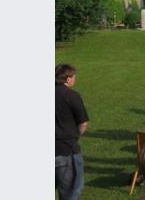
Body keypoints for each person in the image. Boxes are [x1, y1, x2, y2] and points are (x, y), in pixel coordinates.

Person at [56, 64, 89, 200]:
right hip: (67, 151)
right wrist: (74, 136)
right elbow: (83, 123)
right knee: (70, 194)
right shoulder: (72, 95)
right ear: (68, 79)